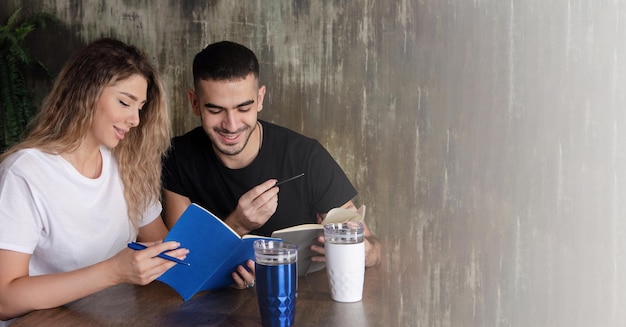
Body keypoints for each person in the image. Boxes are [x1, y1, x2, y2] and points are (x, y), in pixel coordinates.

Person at [161, 40, 381, 290]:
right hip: (210, 308)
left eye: (244, 108)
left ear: (260, 99)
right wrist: (237, 224)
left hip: (302, 303)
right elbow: (179, 264)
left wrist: (363, 251)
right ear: (194, 103)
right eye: (216, 110)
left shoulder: (306, 156)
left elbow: (374, 247)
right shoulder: (177, 156)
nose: (231, 125)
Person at [0, 38, 188, 321]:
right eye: (125, 102)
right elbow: (5, 299)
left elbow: (165, 249)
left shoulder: (129, 165)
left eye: (140, 107)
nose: (136, 119)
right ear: (85, 93)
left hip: (114, 318)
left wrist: (225, 262)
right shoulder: (24, 174)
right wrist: (114, 272)